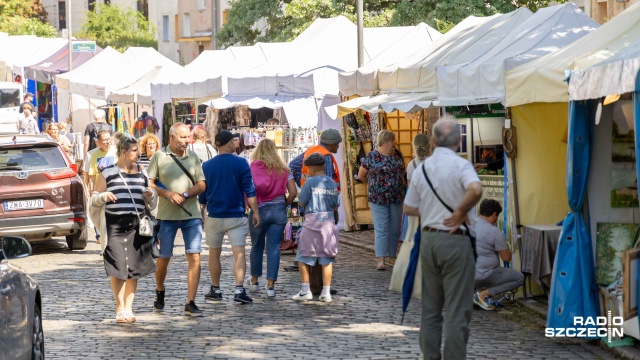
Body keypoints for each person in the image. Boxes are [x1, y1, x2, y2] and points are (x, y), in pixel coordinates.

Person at [403, 116, 482, 360]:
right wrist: (459, 212)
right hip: (455, 239)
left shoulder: (422, 168)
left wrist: (430, 213)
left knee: (430, 310)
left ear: (433, 140)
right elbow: (476, 190)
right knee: (457, 310)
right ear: (458, 141)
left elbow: (408, 207)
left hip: (429, 240)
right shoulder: (461, 166)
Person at [90, 137, 157, 323]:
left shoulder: (142, 173)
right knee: (117, 267)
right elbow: (94, 199)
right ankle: (119, 307)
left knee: (133, 268)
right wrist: (103, 196)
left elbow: (151, 201)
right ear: (124, 152)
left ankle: (129, 308)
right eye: (135, 150)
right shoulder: (107, 173)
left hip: (136, 226)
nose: (138, 154)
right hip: (114, 226)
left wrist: (151, 195)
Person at [147, 123, 206, 316]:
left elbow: (202, 184)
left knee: (194, 257)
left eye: (188, 137)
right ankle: (160, 289)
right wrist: (167, 193)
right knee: (164, 258)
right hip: (167, 216)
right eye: (182, 137)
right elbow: (150, 183)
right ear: (171, 137)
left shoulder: (194, 157)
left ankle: (190, 301)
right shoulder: (159, 156)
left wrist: (187, 194)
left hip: (192, 215)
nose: (186, 141)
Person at [200, 130, 260, 304]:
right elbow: (249, 190)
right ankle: (239, 290)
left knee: (214, 253)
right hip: (236, 215)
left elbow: (203, 194)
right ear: (228, 144)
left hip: (214, 215)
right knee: (239, 253)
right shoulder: (241, 163)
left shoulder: (207, 165)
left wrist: (201, 212)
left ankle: (216, 289)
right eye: (234, 141)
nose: (236, 143)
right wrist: (255, 212)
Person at [246, 139, 297, 297]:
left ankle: (254, 282)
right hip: (278, 210)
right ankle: (270, 286)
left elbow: (249, 190)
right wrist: (284, 205)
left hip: (258, 210)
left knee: (257, 246)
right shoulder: (284, 169)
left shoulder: (252, 167)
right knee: (274, 248)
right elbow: (293, 192)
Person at [291, 153, 340, 303]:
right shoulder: (332, 182)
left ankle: (305, 290)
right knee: (327, 259)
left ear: (311, 169)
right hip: (328, 224)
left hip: (312, 224)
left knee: (304, 257)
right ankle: (326, 292)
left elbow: (302, 202)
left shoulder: (310, 182)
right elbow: (335, 204)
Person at [358, 130, 407, 270]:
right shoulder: (372, 156)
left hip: (397, 196)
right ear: (385, 142)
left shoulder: (397, 154)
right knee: (381, 228)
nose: (394, 144)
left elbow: (402, 171)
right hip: (378, 197)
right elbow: (361, 175)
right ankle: (381, 259)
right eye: (392, 141)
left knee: (395, 227)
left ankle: (392, 256)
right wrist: (374, 184)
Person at [473, 199, 524, 310]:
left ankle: (477, 292)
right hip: (484, 274)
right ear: (494, 214)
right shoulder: (494, 231)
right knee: (519, 278)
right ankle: (483, 294)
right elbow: (506, 258)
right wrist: (505, 244)